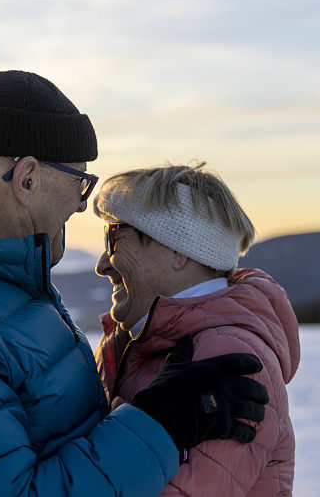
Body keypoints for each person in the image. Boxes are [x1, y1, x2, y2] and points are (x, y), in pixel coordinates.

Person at [0, 71, 270, 497]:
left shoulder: (3, 290)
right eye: (80, 181)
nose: (81, 204)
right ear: (28, 178)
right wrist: (163, 421)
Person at [93, 162, 301, 496]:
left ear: (177, 251)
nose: (102, 265)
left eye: (114, 238)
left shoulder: (227, 359)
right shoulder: (134, 341)